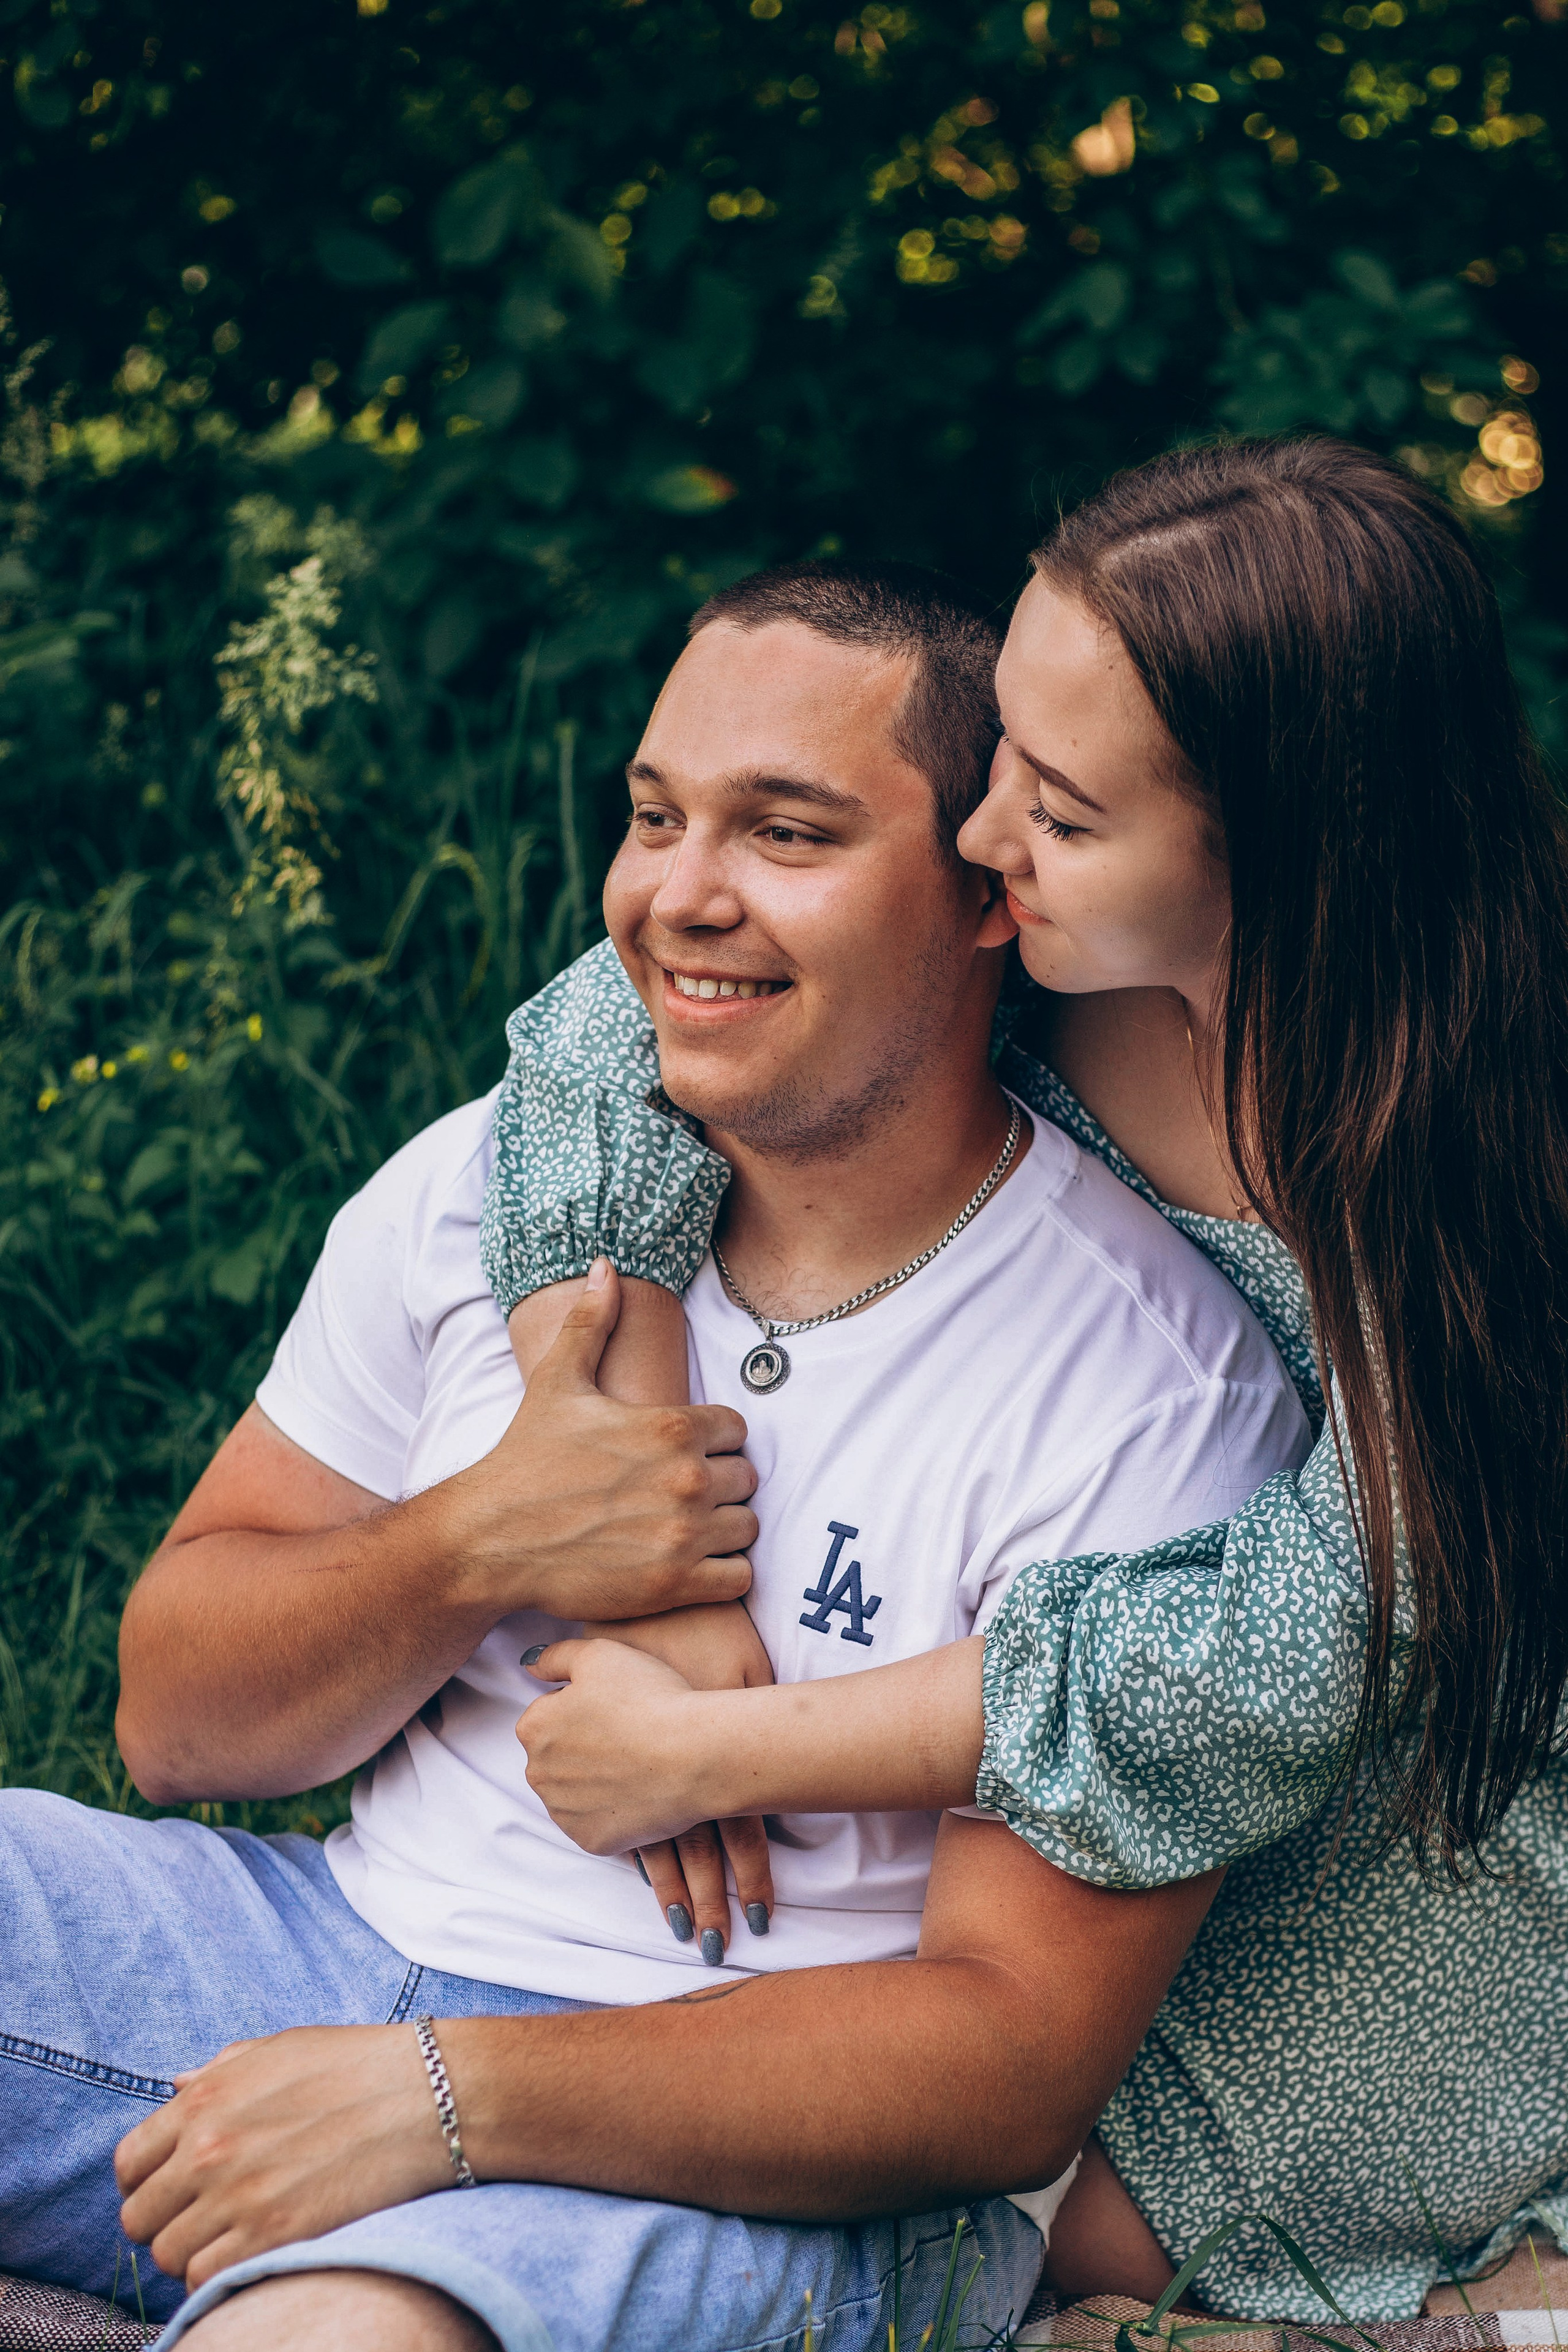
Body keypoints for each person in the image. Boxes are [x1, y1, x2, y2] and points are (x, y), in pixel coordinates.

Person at [0, 565, 1308, 2352]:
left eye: (787, 832)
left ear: (986, 892)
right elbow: (175, 1721)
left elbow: (1010, 2059)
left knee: (330, 2339)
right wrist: (478, 1541)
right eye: (653, 816)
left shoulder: (1145, 1383)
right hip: (310, 1954)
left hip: (764, 2144)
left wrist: (439, 2103)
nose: (680, 896)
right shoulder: (489, 1186)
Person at [478, 440, 1568, 2322]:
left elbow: (1312, 1650)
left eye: (1058, 815)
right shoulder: (1060, 955)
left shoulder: (1470, 1154)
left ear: (1283, 854)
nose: (982, 843)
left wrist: (728, 1749)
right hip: (1092, 1702)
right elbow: (602, 1026)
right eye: (1002, 769)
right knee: (857, 2097)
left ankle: (1498, 2282)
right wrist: (664, 1550)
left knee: (1040, 2228)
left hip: (1431, 1804)